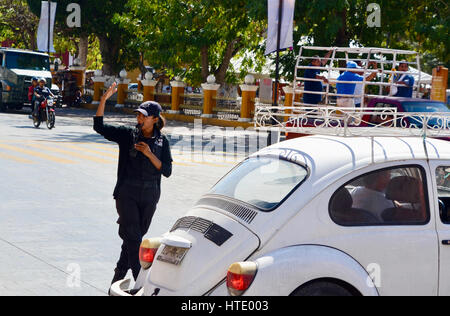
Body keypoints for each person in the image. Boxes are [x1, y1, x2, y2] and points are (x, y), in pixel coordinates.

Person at [93, 82, 173, 285]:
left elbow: (167, 171)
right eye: (138, 114)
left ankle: (117, 278)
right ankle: (140, 284)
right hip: (126, 193)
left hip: (150, 195)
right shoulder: (128, 134)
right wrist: (103, 100)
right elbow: (99, 126)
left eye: (143, 115)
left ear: (154, 119)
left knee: (132, 239)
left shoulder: (162, 142)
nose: (139, 118)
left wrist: (148, 153)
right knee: (135, 239)